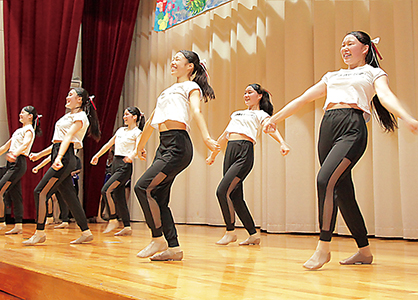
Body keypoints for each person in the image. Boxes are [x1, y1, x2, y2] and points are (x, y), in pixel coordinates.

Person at [263, 31, 418, 270]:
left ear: (365, 48)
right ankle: (364, 251)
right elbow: (304, 98)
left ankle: (323, 248)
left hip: (352, 128)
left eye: (350, 43)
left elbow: (386, 97)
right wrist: (276, 118)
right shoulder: (332, 75)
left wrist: (406, 117)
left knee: (325, 180)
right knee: (343, 193)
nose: (344, 48)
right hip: (328, 127)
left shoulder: (373, 73)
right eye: (342, 45)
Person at [134, 50, 220, 261]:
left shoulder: (191, 86)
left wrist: (207, 138)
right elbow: (153, 118)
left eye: (178, 59)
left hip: (178, 145)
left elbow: (196, 112)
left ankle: (157, 238)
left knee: (142, 187)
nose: (173, 62)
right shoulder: (167, 91)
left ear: (190, 66)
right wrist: (140, 145)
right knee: (158, 198)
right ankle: (174, 247)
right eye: (172, 58)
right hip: (163, 145)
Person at [206, 84, 290, 246]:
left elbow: (270, 128)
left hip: (244, 153)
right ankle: (253, 234)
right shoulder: (236, 113)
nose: (246, 95)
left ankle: (230, 232)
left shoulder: (261, 114)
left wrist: (282, 143)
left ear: (259, 96)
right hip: (230, 151)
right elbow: (224, 135)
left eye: (249, 92)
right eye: (244, 92)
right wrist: (213, 155)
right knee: (236, 197)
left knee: (222, 191)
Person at [25, 88, 101, 245]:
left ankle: (39, 232)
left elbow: (68, 138)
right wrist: (40, 155)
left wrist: (59, 157)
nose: (67, 97)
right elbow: (58, 141)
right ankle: (86, 232)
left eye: (71, 95)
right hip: (59, 153)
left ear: (79, 99)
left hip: (66, 157)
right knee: (70, 196)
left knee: (40, 191)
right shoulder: (68, 116)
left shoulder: (81, 117)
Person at [91, 107, 145, 236]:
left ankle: (113, 219)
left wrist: (131, 157)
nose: (124, 117)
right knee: (119, 196)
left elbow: (138, 148)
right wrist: (97, 155)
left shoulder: (137, 132)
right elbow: (109, 144)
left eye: (127, 115)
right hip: (115, 163)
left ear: (135, 117)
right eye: (124, 115)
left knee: (106, 190)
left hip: (124, 166)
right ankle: (127, 226)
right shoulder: (121, 130)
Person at [0, 106, 42, 234]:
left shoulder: (29, 130)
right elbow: (6, 146)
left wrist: (15, 153)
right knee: (15, 194)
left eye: (22, 112)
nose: (20, 114)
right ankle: (18, 225)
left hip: (18, 162)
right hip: (12, 163)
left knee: (0, 190)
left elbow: (25, 144)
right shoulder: (19, 130)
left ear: (30, 116)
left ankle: (1, 222)